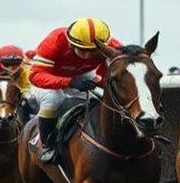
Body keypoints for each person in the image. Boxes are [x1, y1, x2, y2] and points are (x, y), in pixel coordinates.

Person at [30, 18, 122, 164]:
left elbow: (109, 78)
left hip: (82, 74)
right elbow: (35, 75)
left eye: (94, 51)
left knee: (101, 99)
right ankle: (46, 144)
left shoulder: (113, 47)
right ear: (71, 44)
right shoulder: (55, 40)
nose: (88, 56)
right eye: (84, 50)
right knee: (53, 99)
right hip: (48, 75)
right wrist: (69, 82)